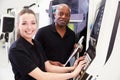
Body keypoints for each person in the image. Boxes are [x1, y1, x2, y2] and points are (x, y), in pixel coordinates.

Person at [8, 8, 86, 80]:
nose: (29, 27)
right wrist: (73, 74)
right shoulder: (16, 50)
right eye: (24, 23)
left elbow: (47, 67)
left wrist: (72, 68)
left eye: (33, 23)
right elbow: (41, 76)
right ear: (18, 25)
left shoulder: (36, 44)